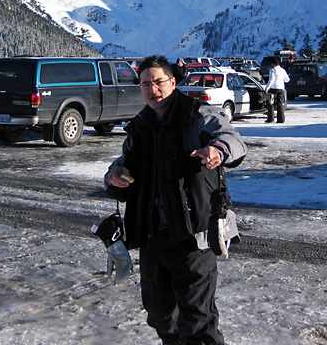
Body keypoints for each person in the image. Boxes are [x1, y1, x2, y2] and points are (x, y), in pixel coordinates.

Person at [104, 55, 247, 345]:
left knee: (197, 320)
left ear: (172, 82)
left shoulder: (198, 114)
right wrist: (114, 176)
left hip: (195, 234)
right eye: (145, 83)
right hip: (152, 236)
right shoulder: (139, 127)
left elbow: (234, 141)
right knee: (159, 314)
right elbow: (122, 165)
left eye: (158, 81)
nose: (152, 88)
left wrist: (218, 150)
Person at [264, 56, 289, 123]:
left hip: (273, 88)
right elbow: (287, 80)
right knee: (280, 104)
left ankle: (271, 118)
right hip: (281, 88)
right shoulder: (282, 70)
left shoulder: (272, 70)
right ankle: (281, 119)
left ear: (273, 64)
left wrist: (267, 88)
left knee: (271, 103)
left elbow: (271, 80)